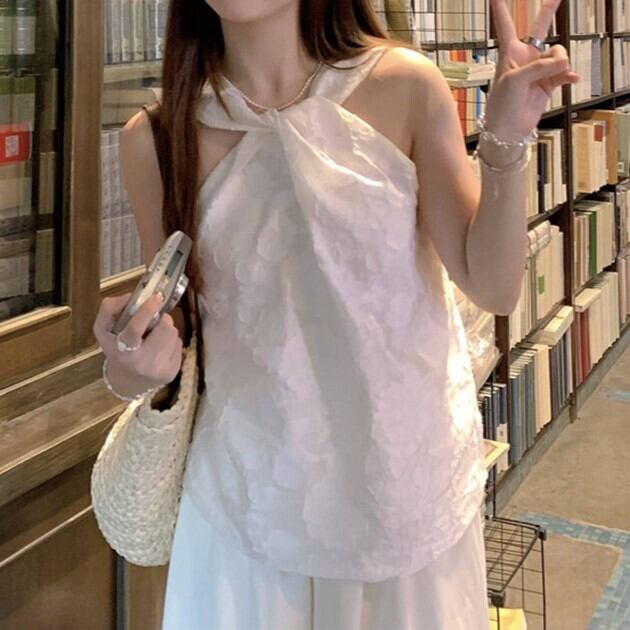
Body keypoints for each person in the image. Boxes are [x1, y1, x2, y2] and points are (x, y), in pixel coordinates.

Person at [92, 0, 578, 627]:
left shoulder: (405, 86)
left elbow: (494, 286)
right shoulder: (158, 137)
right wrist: (131, 360)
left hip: (403, 498)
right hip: (247, 511)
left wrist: (507, 136)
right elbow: (169, 337)